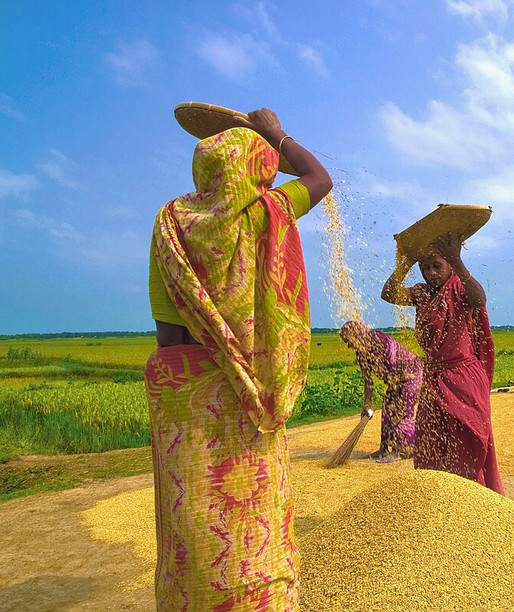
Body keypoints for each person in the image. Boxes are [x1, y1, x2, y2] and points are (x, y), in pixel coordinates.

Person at [146, 108, 332, 610]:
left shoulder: (170, 223)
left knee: (193, 522)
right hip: (248, 399)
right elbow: (320, 179)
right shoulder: (267, 212)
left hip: (186, 403)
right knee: (255, 524)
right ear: (256, 169)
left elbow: (169, 335)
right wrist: (278, 134)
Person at [381, 233, 504, 494]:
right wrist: (406, 264)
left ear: (448, 265)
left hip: (463, 377)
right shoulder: (422, 294)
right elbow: (388, 294)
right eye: (425, 267)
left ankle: (475, 498)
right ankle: (440, 499)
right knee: (431, 441)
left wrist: (458, 261)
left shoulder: (460, 287)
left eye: (437, 265)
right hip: (433, 379)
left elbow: (480, 299)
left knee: (469, 439)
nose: (430, 273)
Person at [338, 320, 422, 463]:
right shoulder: (361, 352)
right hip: (394, 379)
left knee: (401, 411)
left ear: (356, 335)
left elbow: (393, 363)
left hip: (410, 375)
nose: (348, 345)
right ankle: (383, 448)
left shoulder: (378, 340)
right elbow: (368, 379)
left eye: (348, 340)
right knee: (387, 410)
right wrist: (366, 404)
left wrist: (396, 395)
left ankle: (399, 450)